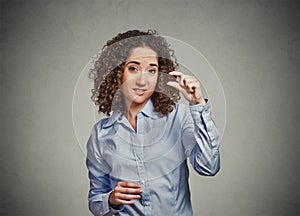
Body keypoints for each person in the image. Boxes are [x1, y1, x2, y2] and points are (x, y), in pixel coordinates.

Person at [86, 29, 220, 216]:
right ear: (117, 73)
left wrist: (198, 104)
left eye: (151, 70)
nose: (142, 81)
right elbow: (95, 200)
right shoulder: (101, 134)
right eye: (133, 68)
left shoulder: (179, 117)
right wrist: (110, 199)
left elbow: (209, 167)